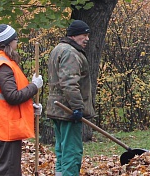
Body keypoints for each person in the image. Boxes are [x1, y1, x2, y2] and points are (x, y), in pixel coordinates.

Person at [0, 24, 43, 175]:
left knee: (10, 168)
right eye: (15, 39)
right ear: (8, 42)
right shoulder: (3, 65)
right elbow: (12, 97)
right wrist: (35, 86)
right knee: (9, 171)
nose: (17, 42)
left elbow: (7, 96)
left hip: (4, 122)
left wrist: (30, 107)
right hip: (7, 125)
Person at [44, 20, 95, 176]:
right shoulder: (71, 53)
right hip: (68, 110)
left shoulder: (58, 49)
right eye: (83, 35)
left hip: (57, 107)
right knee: (72, 151)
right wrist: (77, 107)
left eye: (88, 35)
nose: (86, 39)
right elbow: (69, 83)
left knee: (61, 149)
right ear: (73, 35)